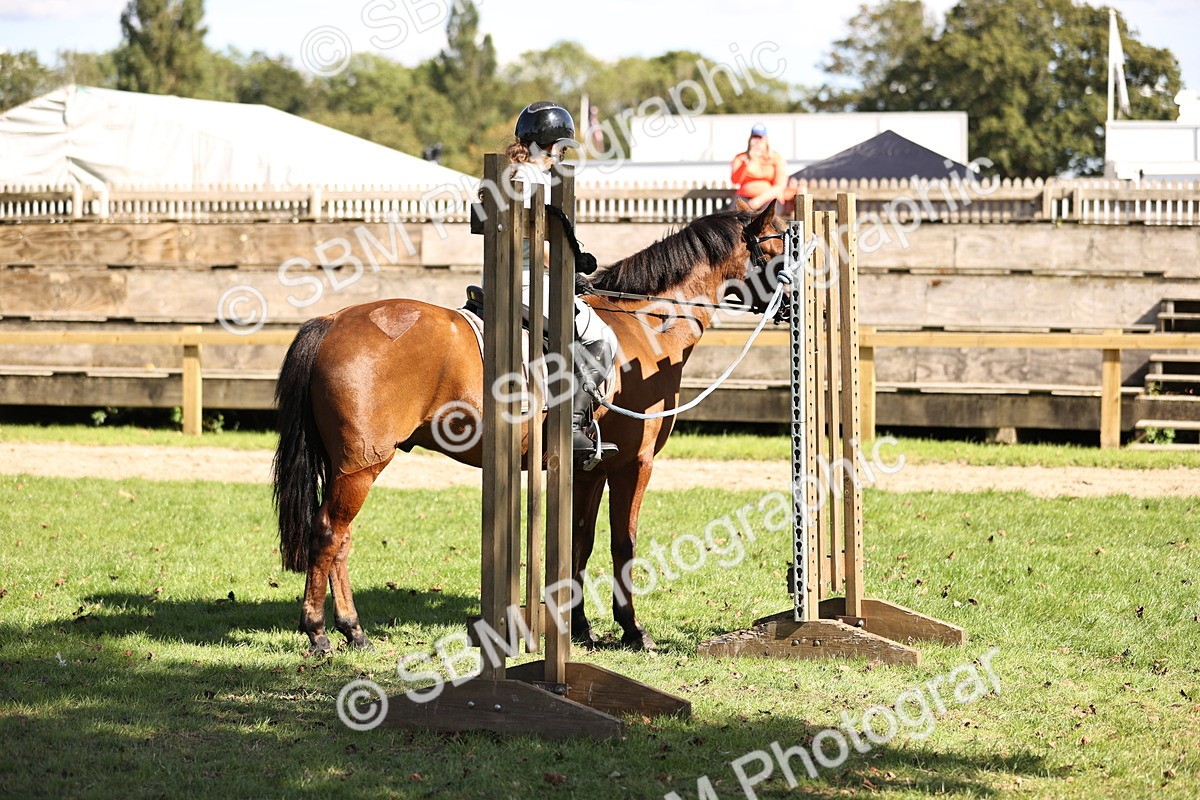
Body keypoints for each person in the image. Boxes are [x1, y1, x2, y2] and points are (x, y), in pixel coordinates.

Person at [504, 101, 619, 471]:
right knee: (601, 337)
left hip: (504, 277)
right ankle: (569, 427)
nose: (563, 155)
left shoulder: (508, 174)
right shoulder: (532, 179)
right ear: (549, 145)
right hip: (528, 282)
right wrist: (571, 275)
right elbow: (538, 247)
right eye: (562, 148)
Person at [730, 123, 794, 211]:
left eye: (760, 138)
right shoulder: (741, 157)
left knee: (766, 219)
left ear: (766, 140)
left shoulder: (776, 157)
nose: (757, 141)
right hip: (744, 197)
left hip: (768, 198)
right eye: (754, 137)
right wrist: (746, 163)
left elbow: (779, 186)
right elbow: (735, 180)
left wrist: (758, 200)